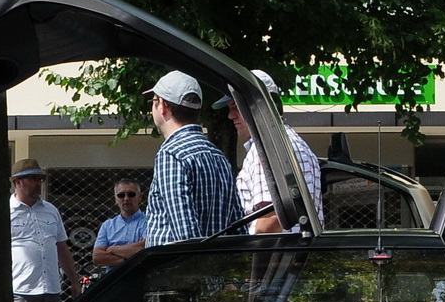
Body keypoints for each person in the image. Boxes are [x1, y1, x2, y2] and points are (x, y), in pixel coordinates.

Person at [217, 70, 323, 234]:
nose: (230, 115)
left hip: (277, 257)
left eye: (235, 106)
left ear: (257, 105)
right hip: (293, 255)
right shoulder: (289, 142)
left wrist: (255, 259)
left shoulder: (266, 149)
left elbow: (271, 222)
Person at [143, 71, 237, 246]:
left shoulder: (171, 153)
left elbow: (185, 235)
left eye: (153, 101)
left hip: (176, 270)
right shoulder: (218, 156)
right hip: (216, 269)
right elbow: (237, 225)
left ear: (162, 105)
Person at [9, 158, 79, 302]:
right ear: (18, 182)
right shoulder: (6, 211)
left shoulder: (51, 210)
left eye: (40, 179)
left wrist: (74, 280)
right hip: (20, 291)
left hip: (51, 291)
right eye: (33, 179)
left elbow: (62, 248)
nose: (38, 183)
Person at [91, 180, 147, 270]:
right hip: (113, 281)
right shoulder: (107, 225)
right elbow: (97, 257)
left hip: (140, 280)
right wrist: (130, 259)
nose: (126, 198)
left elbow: (144, 248)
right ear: (115, 199)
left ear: (139, 197)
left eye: (131, 194)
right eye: (121, 195)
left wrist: (111, 249)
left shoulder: (149, 222)